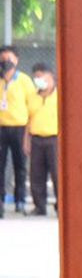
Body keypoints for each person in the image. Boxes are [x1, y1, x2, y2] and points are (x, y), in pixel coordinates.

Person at [0, 48, 31, 216]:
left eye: (9, 58)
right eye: (3, 58)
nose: (6, 61)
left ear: (17, 60)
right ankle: (1, 202)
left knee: (20, 166)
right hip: (1, 128)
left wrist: (28, 133)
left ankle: (20, 202)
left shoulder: (24, 81)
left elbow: (31, 107)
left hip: (19, 128)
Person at [26, 63, 55, 216]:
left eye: (39, 77)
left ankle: (60, 206)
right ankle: (39, 206)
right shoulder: (33, 96)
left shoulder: (59, 95)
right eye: (35, 77)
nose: (37, 80)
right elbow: (28, 119)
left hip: (54, 139)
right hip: (37, 139)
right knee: (36, 174)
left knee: (57, 174)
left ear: (49, 76)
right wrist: (27, 141)